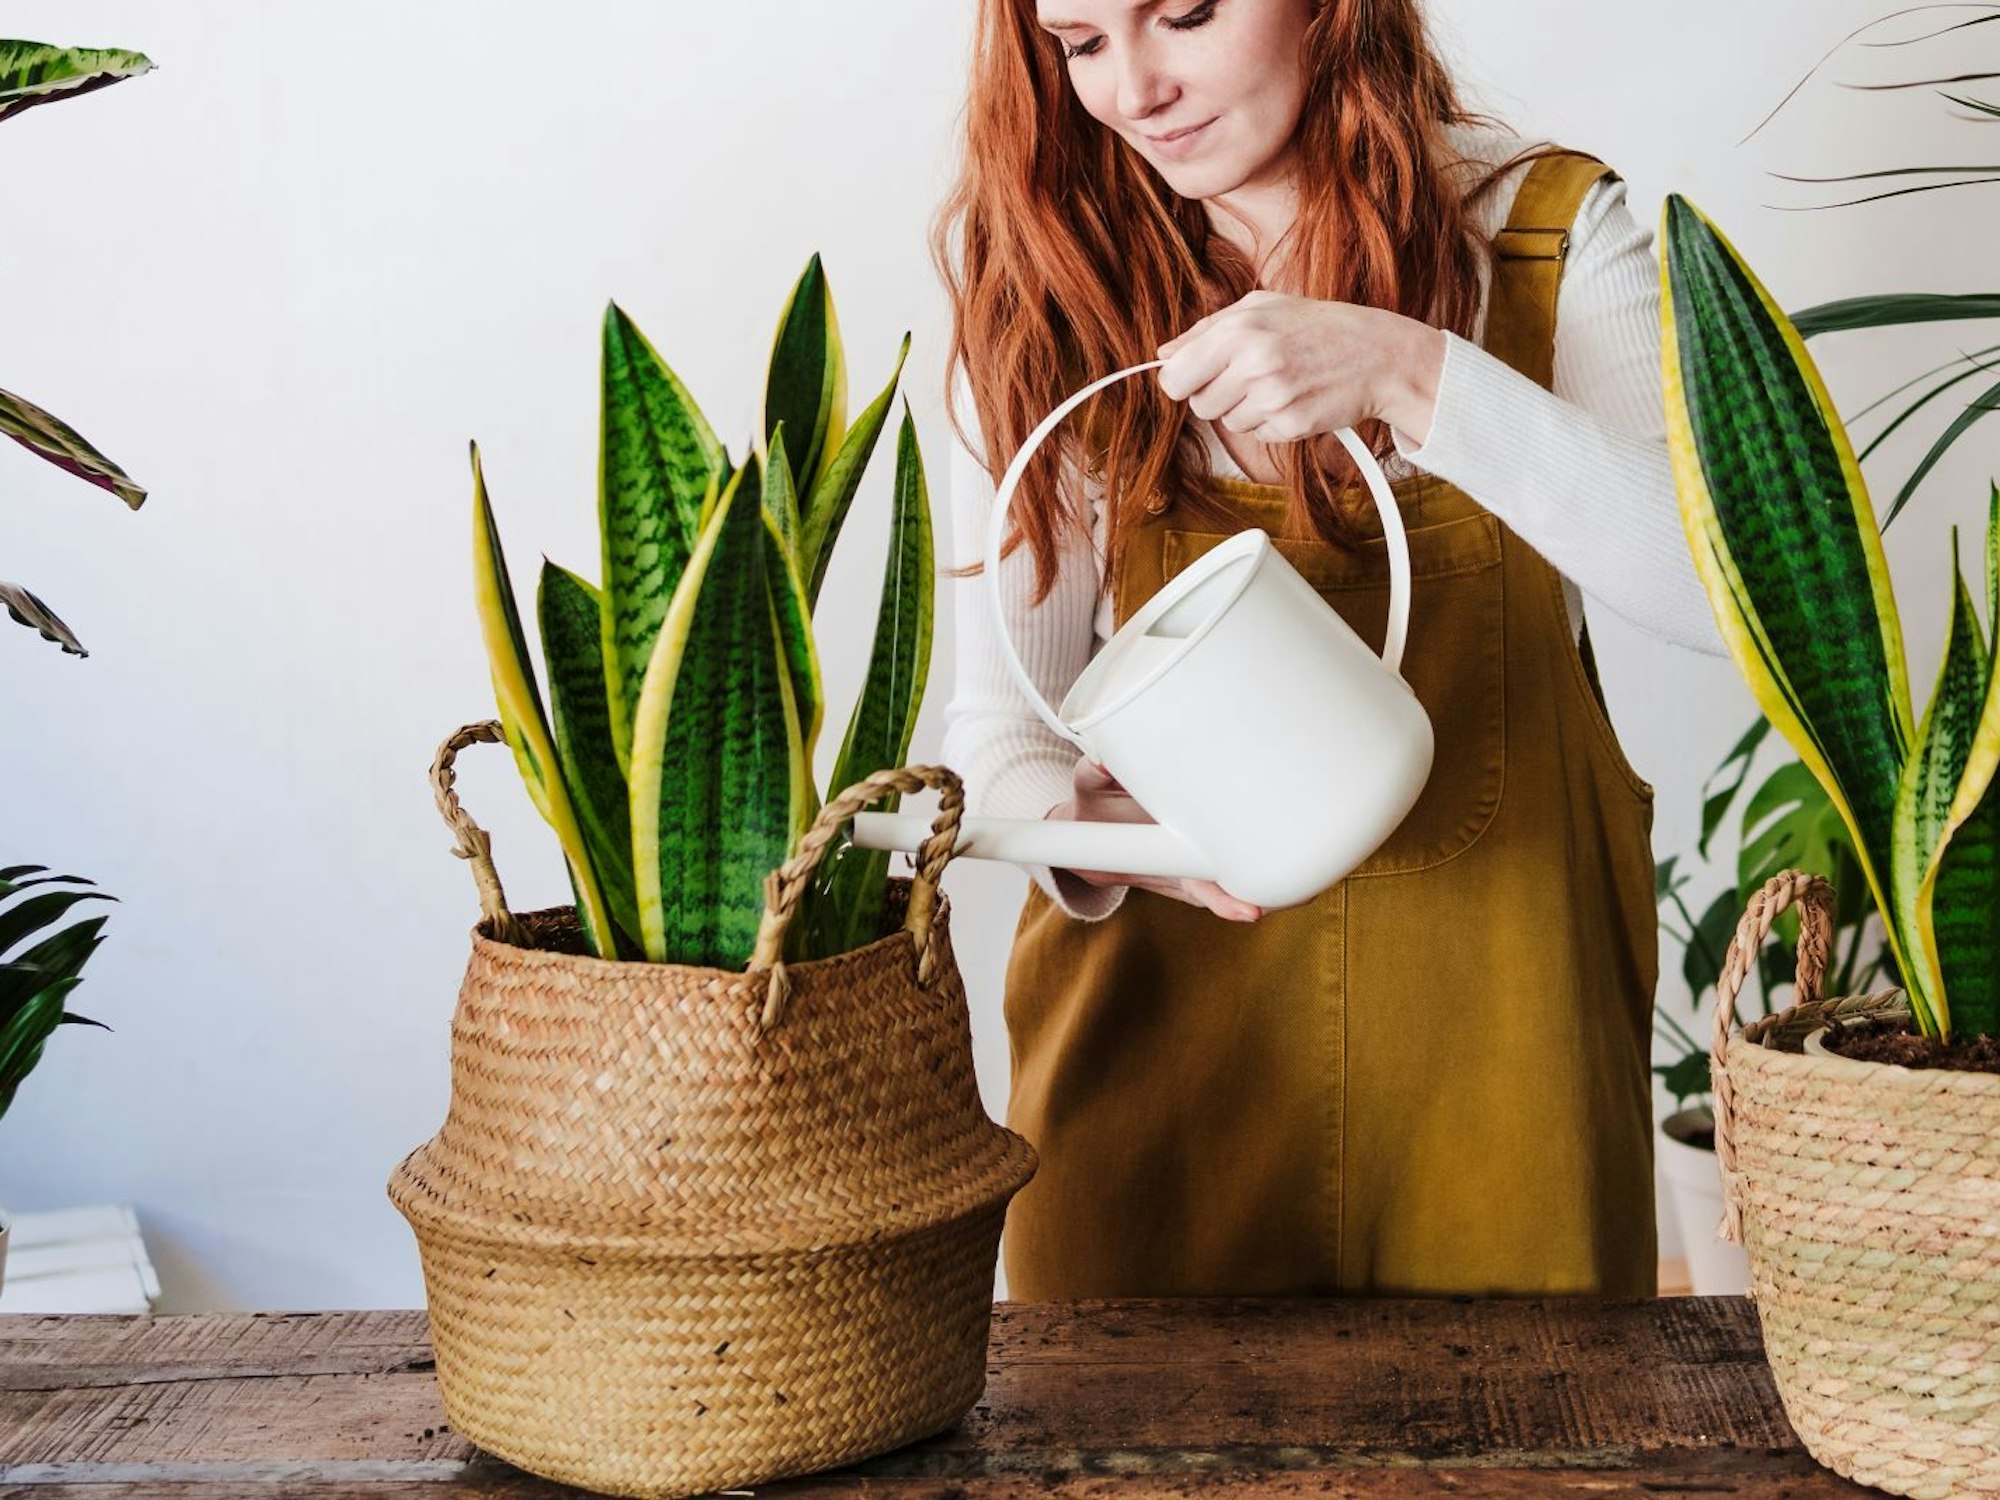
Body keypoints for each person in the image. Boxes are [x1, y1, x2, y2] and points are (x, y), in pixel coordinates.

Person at [927, 0, 1730, 1301]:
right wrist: (1080, 830)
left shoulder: (1543, 234)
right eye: (1079, 43)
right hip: (1155, 1097)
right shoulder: (1048, 291)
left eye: (1183, 13)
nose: (1133, 88)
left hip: (1507, 1088)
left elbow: (1722, 592)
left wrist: (1419, 377)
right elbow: (1002, 731)